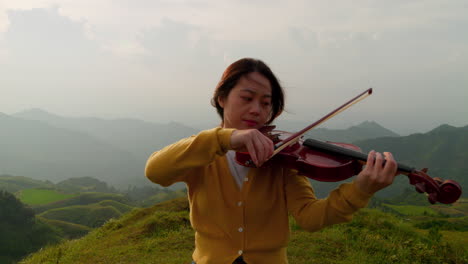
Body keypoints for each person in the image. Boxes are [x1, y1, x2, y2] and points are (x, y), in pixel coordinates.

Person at [145, 58, 398, 264]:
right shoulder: (200, 150)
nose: (257, 109)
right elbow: (155, 171)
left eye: (266, 104)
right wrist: (225, 139)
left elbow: (310, 217)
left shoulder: (281, 157)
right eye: (247, 98)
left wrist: (360, 191)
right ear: (222, 98)